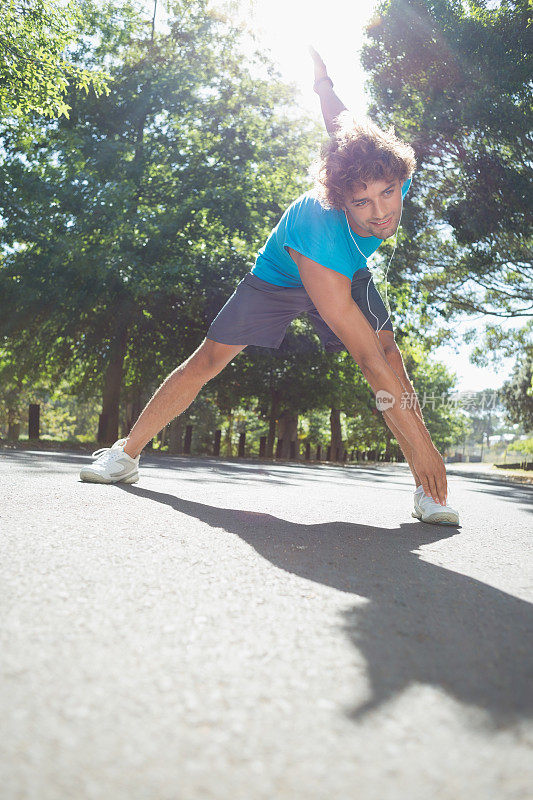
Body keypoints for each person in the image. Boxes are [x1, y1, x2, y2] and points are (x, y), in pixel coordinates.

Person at [80, 47, 459, 526]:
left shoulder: (385, 171)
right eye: (361, 203)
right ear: (341, 199)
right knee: (209, 360)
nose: (380, 211)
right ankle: (126, 455)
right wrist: (428, 446)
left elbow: (343, 128)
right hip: (281, 277)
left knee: (391, 354)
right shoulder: (319, 228)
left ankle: (428, 490)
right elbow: (364, 359)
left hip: (345, 270)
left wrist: (323, 85)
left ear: (399, 178)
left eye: (387, 194)